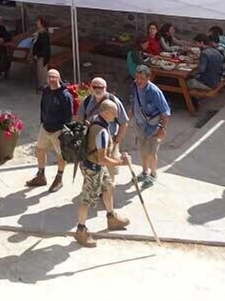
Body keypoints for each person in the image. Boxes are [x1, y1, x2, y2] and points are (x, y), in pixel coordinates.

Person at [73, 100, 132, 247]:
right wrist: (121, 163)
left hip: (94, 165)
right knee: (86, 199)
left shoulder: (94, 119)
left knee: (108, 187)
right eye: (114, 113)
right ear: (105, 112)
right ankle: (80, 230)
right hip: (93, 168)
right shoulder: (102, 132)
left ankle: (111, 217)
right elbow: (102, 158)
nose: (116, 115)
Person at [26, 68, 75, 192]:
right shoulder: (46, 90)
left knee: (61, 156)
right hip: (45, 127)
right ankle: (41, 175)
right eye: (49, 77)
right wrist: (43, 121)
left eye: (54, 77)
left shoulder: (65, 95)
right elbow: (43, 106)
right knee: (39, 150)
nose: (51, 79)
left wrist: (65, 133)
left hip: (58, 131)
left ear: (58, 78)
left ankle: (59, 179)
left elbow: (68, 116)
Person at [78, 77, 129, 178]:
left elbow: (124, 122)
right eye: (95, 87)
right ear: (91, 88)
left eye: (100, 87)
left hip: (109, 141)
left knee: (110, 170)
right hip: (92, 143)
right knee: (92, 170)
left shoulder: (114, 101)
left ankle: (107, 191)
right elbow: (80, 118)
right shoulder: (87, 101)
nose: (97, 89)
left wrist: (116, 141)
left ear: (105, 88)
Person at [129, 66, 171, 187]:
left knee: (152, 153)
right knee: (143, 150)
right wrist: (129, 115)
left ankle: (153, 175)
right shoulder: (135, 86)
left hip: (153, 127)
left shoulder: (155, 92)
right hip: (139, 124)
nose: (138, 81)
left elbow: (165, 112)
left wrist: (163, 129)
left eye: (142, 78)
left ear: (148, 78)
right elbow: (134, 102)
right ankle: (144, 172)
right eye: (137, 77)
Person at [31, 16, 52, 92]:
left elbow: (44, 47)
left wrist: (37, 54)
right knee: (39, 71)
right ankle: (41, 85)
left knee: (42, 71)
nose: (37, 23)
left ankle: (43, 86)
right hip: (40, 56)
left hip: (42, 56)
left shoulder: (44, 35)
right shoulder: (39, 33)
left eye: (38, 22)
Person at [0, 14, 13, 80]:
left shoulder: (2, 28)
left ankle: (1, 72)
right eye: (0, 21)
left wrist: (2, 39)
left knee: (5, 55)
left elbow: (8, 36)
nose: (1, 22)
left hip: (0, 47)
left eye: (1, 21)